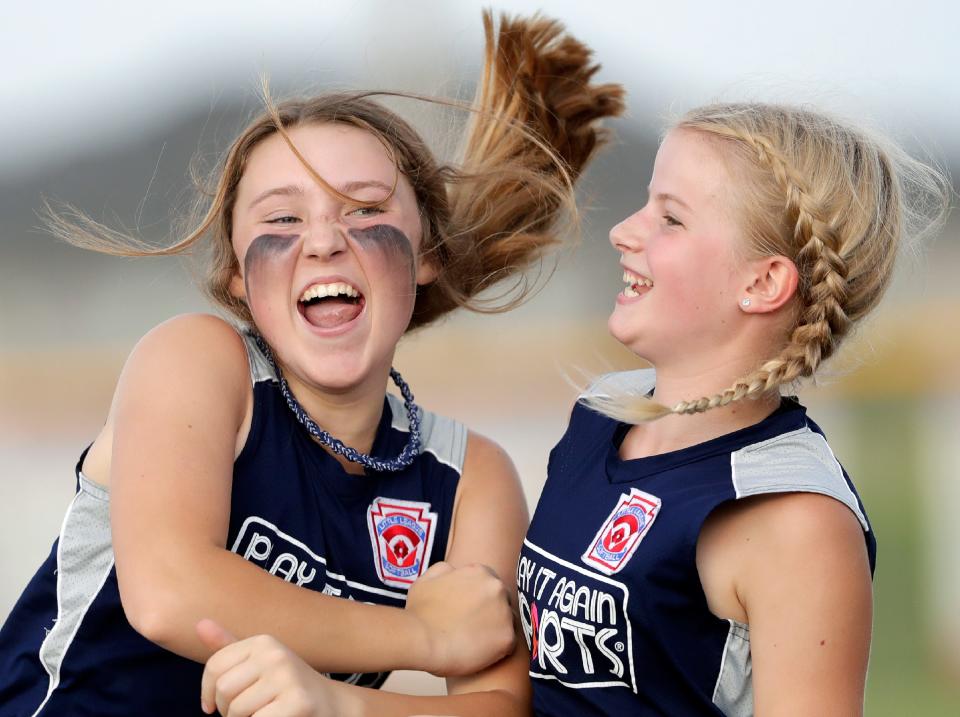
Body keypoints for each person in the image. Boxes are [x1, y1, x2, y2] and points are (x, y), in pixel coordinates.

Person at [0, 11, 624, 717]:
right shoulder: (200, 362)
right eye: (281, 220)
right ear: (238, 274)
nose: (323, 240)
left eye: (364, 209)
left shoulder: (469, 478)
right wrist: (420, 634)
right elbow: (171, 591)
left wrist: (338, 705)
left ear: (426, 255)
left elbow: (497, 705)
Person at [516, 104, 950, 715]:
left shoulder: (794, 517)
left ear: (764, 283)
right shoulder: (601, 413)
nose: (624, 231)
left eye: (670, 218)